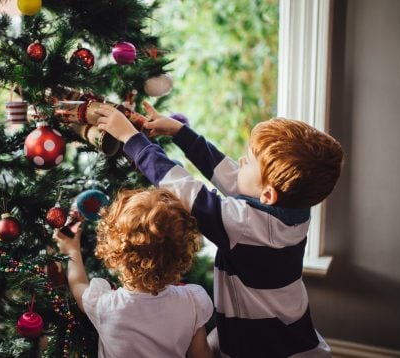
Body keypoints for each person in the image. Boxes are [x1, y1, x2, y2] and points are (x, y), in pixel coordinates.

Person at [94, 101, 344, 357]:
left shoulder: (244, 225)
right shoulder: (294, 208)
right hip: (290, 325)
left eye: (249, 162)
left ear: (268, 194)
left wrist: (131, 139)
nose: (240, 160)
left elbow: (184, 188)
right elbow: (228, 173)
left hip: (260, 341)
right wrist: (180, 132)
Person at [54, 187, 214, 358]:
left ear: (116, 254)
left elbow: (78, 284)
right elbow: (201, 355)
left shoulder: (106, 305)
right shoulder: (192, 301)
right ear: (181, 254)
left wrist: (72, 251)